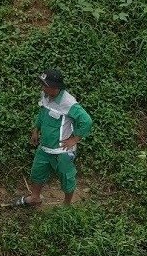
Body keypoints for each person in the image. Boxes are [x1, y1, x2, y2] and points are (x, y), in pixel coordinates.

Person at [10, 69, 92, 207]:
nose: (43, 88)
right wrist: (36, 129)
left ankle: (67, 205)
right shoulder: (46, 95)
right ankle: (35, 198)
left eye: (45, 85)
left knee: (67, 178)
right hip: (45, 147)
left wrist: (75, 139)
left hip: (62, 151)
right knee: (37, 172)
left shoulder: (69, 103)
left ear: (56, 87)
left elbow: (87, 121)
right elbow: (42, 112)